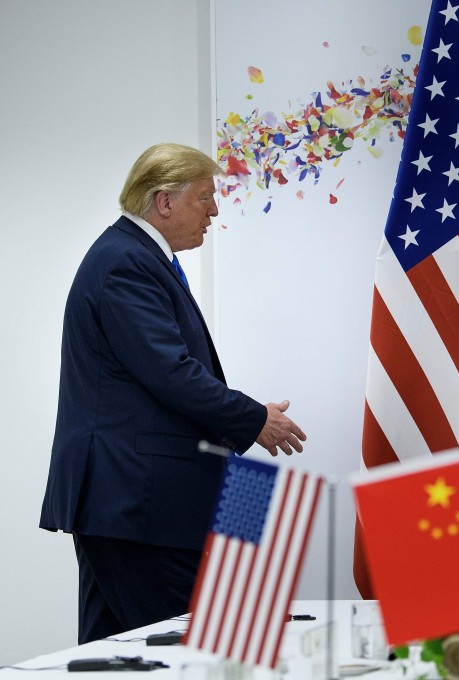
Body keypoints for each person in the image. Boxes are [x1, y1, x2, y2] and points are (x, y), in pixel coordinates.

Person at [40, 143, 308, 643]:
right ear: (165, 201)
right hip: (137, 505)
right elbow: (172, 373)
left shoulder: (132, 257)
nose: (214, 210)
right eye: (205, 197)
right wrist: (253, 419)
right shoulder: (125, 262)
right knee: (188, 652)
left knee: (113, 658)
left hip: (125, 505)